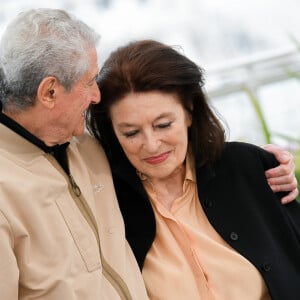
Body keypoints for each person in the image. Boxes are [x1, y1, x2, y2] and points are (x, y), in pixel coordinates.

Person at [87, 39, 300, 300]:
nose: (151, 145)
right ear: (112, 131)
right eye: (131, 132)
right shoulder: (106, 203)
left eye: (163, 125)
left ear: (189, 111)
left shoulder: (249, 168)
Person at [0, 9, 149, 300]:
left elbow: (169, 160)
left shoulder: (89, 145)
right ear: (50, 92)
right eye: (89, 81)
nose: (97, 96)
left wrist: (255, 162)